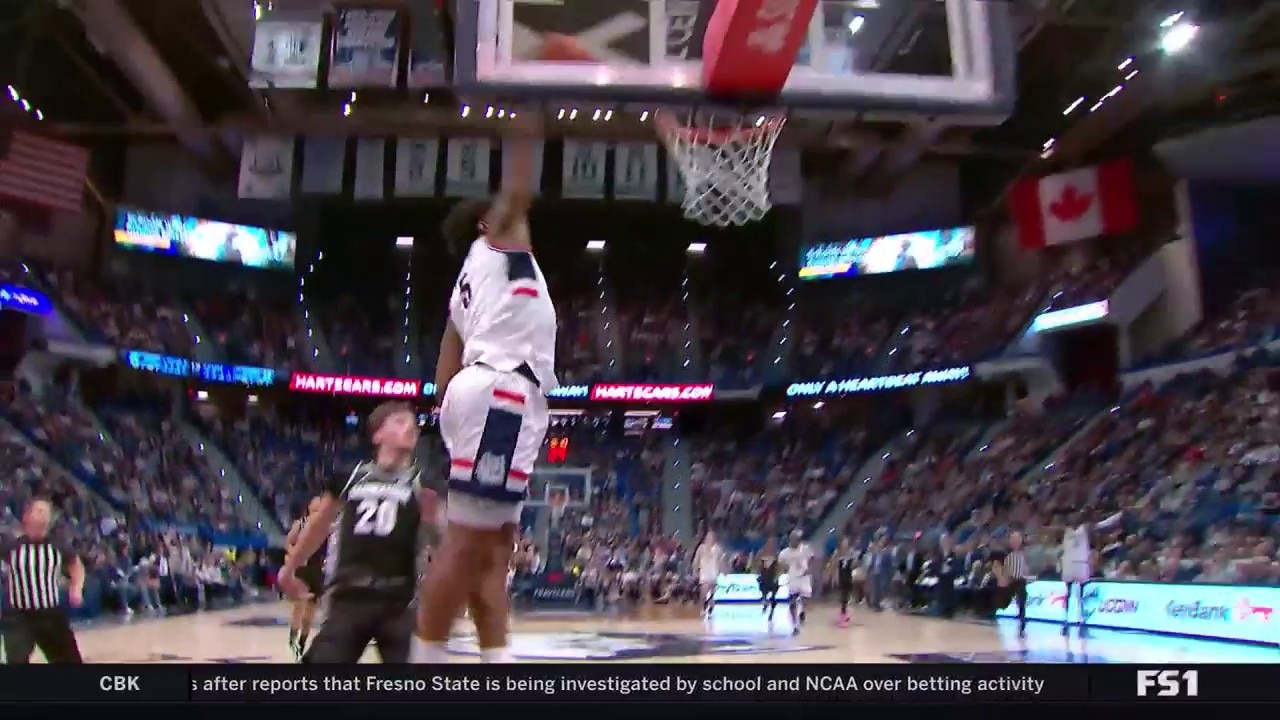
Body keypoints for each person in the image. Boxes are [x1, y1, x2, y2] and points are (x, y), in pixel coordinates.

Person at [413, 121, 557, 665]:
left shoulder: (467, 289)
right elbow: (518, 189)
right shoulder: (496, 240)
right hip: (503, 392)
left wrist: (453, 416)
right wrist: (529, 119)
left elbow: (444, 367)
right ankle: (423, 665)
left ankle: (496, 666)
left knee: (493, 551)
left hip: (485, 395)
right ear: (485, 223)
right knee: (469, 545)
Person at [279, 402, 435, 663]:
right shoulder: (351, 476)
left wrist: (434, 525)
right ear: (377, 435)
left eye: (413, 424)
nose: (410, 427)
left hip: (400, 601)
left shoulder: (424, 483)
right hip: (349, 595)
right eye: (399, 421)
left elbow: (440, 543)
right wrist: (291, 567)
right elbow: (318, 525)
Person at [0, 498, 85, 663]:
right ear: (27, 517)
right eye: (39, 511)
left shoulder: (57, 546)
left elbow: (76, 566)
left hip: (49, 614)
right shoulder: (12, 546)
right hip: (20, 616)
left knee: (70, 660)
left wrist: (76, 588)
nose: (44, 515)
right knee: (16, 661)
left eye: (47, 512)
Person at [1060, 510, 1123, 637]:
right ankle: (1066, 619)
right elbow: (1050, 530)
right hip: (1069, 563)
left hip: (1081, 563)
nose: (1074, 517)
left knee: (1082, 594)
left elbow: (1103, 525)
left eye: (1076, 515)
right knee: (1068, 593)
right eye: (1072, 516)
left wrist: (1117, 516)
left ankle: (1082, 618)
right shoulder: (1065, 530)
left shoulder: (1086, 528)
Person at [285, 495, 326, 661]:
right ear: (309, 507)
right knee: (299, 607)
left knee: (310, 614)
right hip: (302, 569)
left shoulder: (325, 527)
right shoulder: (300, 524)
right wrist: (293, 554)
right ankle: (292, 639)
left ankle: (302, 643)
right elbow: (288, 543)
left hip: (317, 571)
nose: (317, 509)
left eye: (320, 507)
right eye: (315, 506)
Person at [777, 530, 814, 635]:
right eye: (793, 539)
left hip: (804, 577)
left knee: (806, 599)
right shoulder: (784, 553)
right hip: (793, 578)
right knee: (792, 601)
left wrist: (809, 568)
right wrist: (783, 571)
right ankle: (794, 626)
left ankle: (802, 611)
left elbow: (812, 558)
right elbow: (781, 565)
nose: (796, 541)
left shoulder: (805, 549)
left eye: (797, 539)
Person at [693, 531, 723, 618]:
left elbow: (721, 561)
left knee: (712, 593)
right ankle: (703, 607)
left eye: (712, 537)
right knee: (703, 592)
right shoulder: (701, 548)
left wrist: (722, 570)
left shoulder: (718, 549)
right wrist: (695, 572)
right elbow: (696, 561)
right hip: (704, 573)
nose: (710, 539)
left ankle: (710, 609)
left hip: (713, 573)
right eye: (708, 537)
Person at [832, 537, 858, 627]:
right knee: (842, 597)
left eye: (846, 542)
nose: (845, 544)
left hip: (848, 576)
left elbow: (854, 565)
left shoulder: (851, 553)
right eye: (843, 542)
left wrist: (854, 561)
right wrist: (834, 577)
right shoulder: (837, 553)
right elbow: (834, 566)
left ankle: (844, 614)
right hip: (840, 576)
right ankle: (842, 616)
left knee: (846, 597)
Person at [756, 538, 781, 622]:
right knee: (764, 594)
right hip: (764, 578)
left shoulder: (776, 555)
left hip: (772, 578)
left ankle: (771, 613)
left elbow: (778, 568)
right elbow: (758, 566)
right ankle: (765, 603)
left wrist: (777, 577)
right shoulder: (762, 554)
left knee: (773, 597)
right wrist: (758, 574)